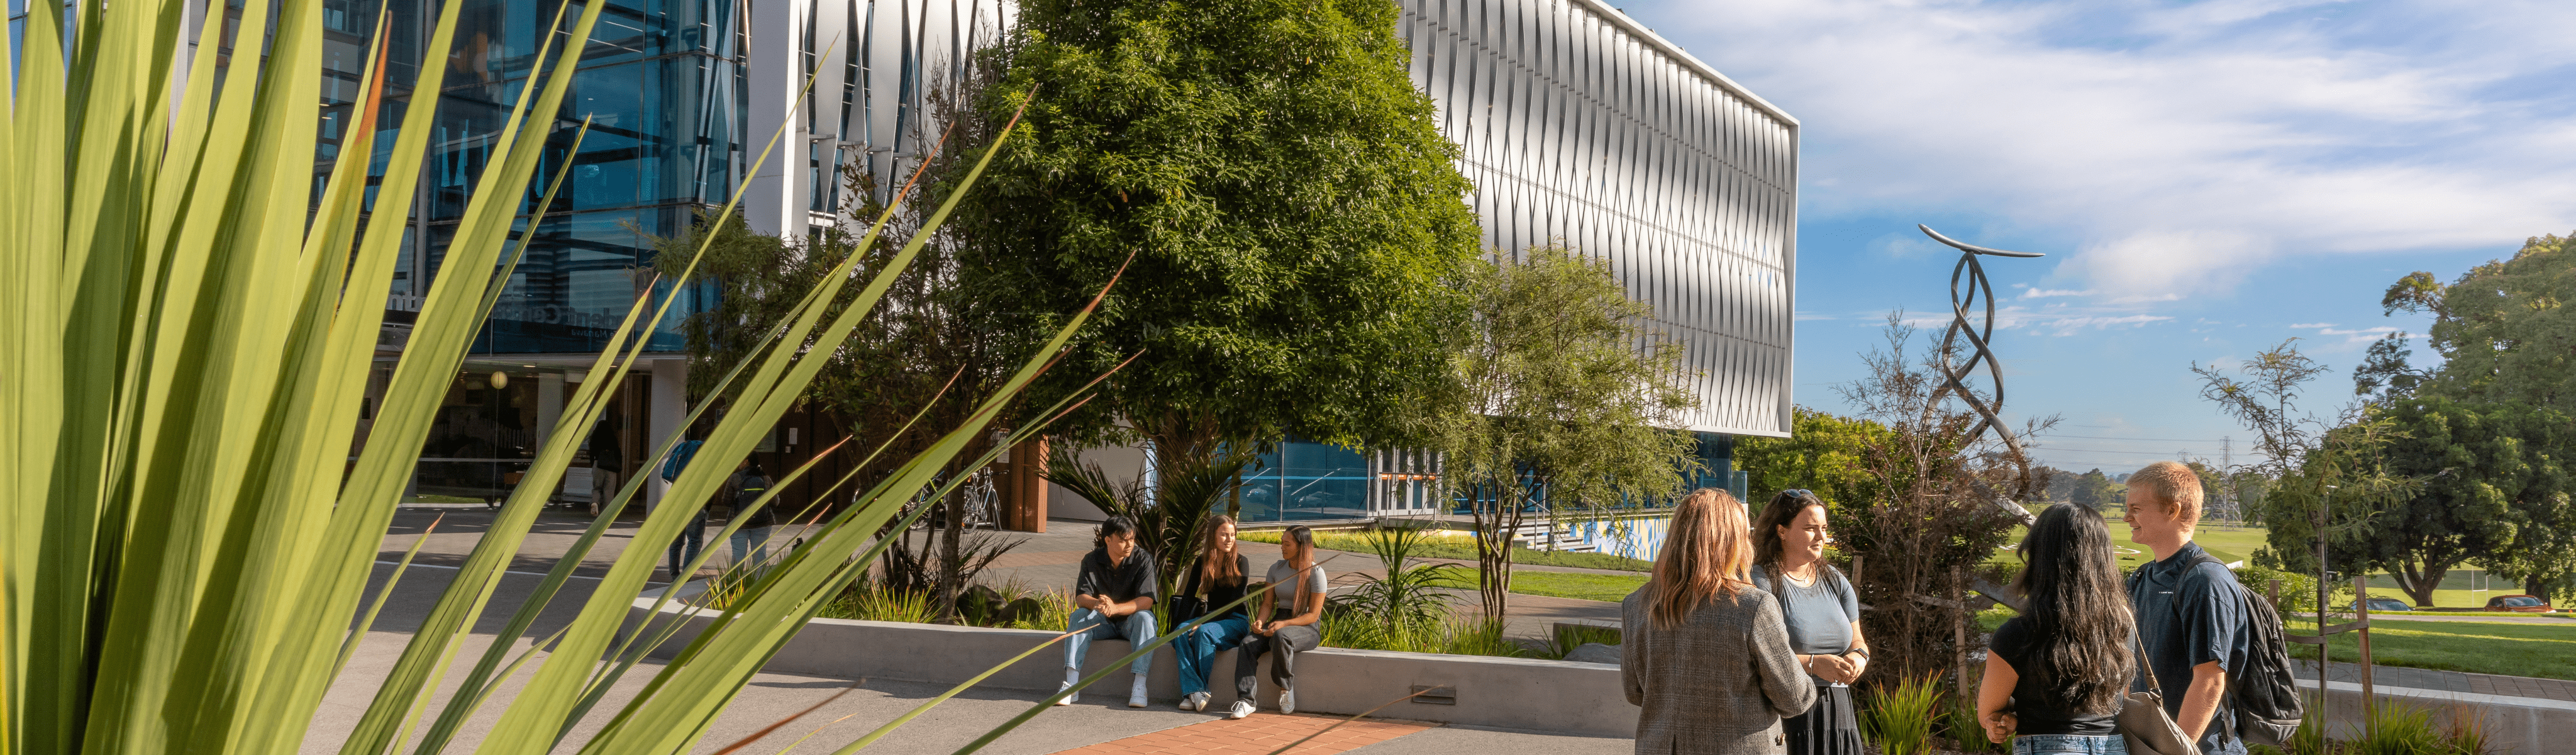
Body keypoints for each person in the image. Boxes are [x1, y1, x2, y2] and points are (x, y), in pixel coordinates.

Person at [1621, 489, 1815, 755]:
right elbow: (1795, 698)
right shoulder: (1753, 606)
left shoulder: (1635, 604)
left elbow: (1635, 692)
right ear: (1732, 541)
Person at [1979, 504, 2136, 755]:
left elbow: (1989, 714)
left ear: (2038, 556)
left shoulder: (2017, 634)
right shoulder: (2122, 625)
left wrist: (2004, 720)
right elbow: (2119, 699)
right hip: (2112, 746)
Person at [2123, 461, 2252, 755]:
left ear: (2172, 510)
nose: (2126, 517)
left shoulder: (2205, 580)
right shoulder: (2142, 577)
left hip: (2199, 749)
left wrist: (2176, 751)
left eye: (2136, 508)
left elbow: (2209, 680)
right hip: (2153, 746)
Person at [1748, 489, 1868, 755]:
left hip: (1839, 711)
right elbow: (1756, 656)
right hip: (1787, 713)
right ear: (1781, 531)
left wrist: (1859, 658)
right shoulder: (1761, 583)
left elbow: (1858, 640)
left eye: (1824, 528)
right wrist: (1815, 664)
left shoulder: (1835, 580)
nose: (1822, 537)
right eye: (1811, 529)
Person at [1224, 525, 1326, 720]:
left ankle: (1286, 688)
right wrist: (1260, 622)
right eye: (1282, 542)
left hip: (1306, 626)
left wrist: (1285, 625)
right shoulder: (1276, 569)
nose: (1282, 547)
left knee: (1281, 636)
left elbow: (1313, 615)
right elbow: (1267, 605)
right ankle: (1247, 701)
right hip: (1279, 620)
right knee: (1247, 643)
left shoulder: (1316, 573)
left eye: (1287, 544)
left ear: (1301, 546)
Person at [1058, 517, 1160, 708]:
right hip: (1102, 622)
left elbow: (1146, 600)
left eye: (1132, 539)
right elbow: (1081, 597)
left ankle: (1139, 686)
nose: (1129, 545)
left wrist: (1117, 608)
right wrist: (1099, 604)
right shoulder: (1092, 560)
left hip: (1131, 623)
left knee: (1146, 618)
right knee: (1078, 616)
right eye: (1123, 540)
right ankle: (1071, 685)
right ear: (1108, 540)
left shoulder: (1143, 559)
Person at [1173, 514, 1252, 712]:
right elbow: (1189, 596)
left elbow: (1234, 603)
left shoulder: (1242, 562)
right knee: (1181, 631)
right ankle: (1196, 692)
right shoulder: (1203, 561)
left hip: (1235, 620)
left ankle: (1197, 691)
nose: (1229, 539)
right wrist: (1178, 628)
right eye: (1224, 534)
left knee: (1203, 632)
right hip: (1211, 620)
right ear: (1213, 537)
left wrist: (1203, 624)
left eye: (1232, 535)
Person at [662, 437, 707, 582]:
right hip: (695, 501)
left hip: (676, 500)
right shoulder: (707, 456)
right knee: (694, 540)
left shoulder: (686, 452)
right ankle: (685, 578)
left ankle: (674, 576)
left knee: (676, 541)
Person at [727, 460, 775, 571]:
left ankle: (734, 585)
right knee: (760, 555)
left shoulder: (735, 478)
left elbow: (726, 500)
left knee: (738, 555)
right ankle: (759, 584)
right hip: (762, 523)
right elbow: (775, 502)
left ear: (746, 462)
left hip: (739, 523)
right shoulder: (766, 479)